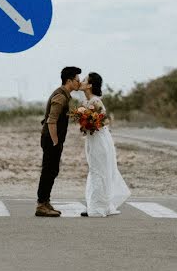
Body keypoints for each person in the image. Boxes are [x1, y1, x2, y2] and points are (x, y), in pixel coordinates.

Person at [77, 72, 132, 217]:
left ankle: (98, 207)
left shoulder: (96, 101)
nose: (81, 82)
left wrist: (91, 123)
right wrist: (85, 125)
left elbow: (105, 121)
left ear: (89, 85)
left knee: (99, 171)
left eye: (84, 80)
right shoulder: (84, 103)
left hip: (100, 140)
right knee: (94, 170)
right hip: (91, 139)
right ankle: (95, 204)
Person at [36, 66, 82, 217]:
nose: (79, 82)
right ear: (69, 80)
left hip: (53, 139)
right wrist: (55, 141)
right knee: (49, 170)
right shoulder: (60, 97)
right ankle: (41, 204)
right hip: (51, 139)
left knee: (52, 170)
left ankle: (45, 201)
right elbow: (51, 121)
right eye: (77, 80)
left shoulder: (65, 95)